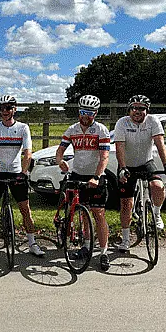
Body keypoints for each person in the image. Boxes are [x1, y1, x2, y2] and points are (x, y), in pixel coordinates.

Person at [0, 95, 44, 257]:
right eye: (1, 108)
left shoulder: (23, 128)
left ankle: (32, 243)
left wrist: (23, 173)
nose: (4, 111)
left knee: (25, 209)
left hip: (16, 173)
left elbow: (28, 152)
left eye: (8, 108)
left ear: (15, 109)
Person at [55, 94, 111, 271]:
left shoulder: (101, 130)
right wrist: (60, 161)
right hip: (78, 174)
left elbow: (104, 156)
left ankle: (103, 252)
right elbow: (60, 150)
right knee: (83, 211)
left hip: (95, 176)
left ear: (95, 113)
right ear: (78, 112)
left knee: (99, 214)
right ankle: (86, 246)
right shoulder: (72, 129)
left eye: (90, 112)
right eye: (83, 112)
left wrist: (97, 177)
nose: (85, 116)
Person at [114, 95, 166, 250]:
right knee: (126, 204)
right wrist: (122, 168)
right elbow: (119, 147)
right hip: (127, 165)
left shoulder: (153, 121)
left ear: (147, 110)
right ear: (129, 109)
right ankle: (125, 240)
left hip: (146, 162)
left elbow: (160, 143)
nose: (137, 111)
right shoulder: (122, 123)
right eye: (134, 108)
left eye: (141, 108)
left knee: (158, 186)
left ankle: (156, 214)